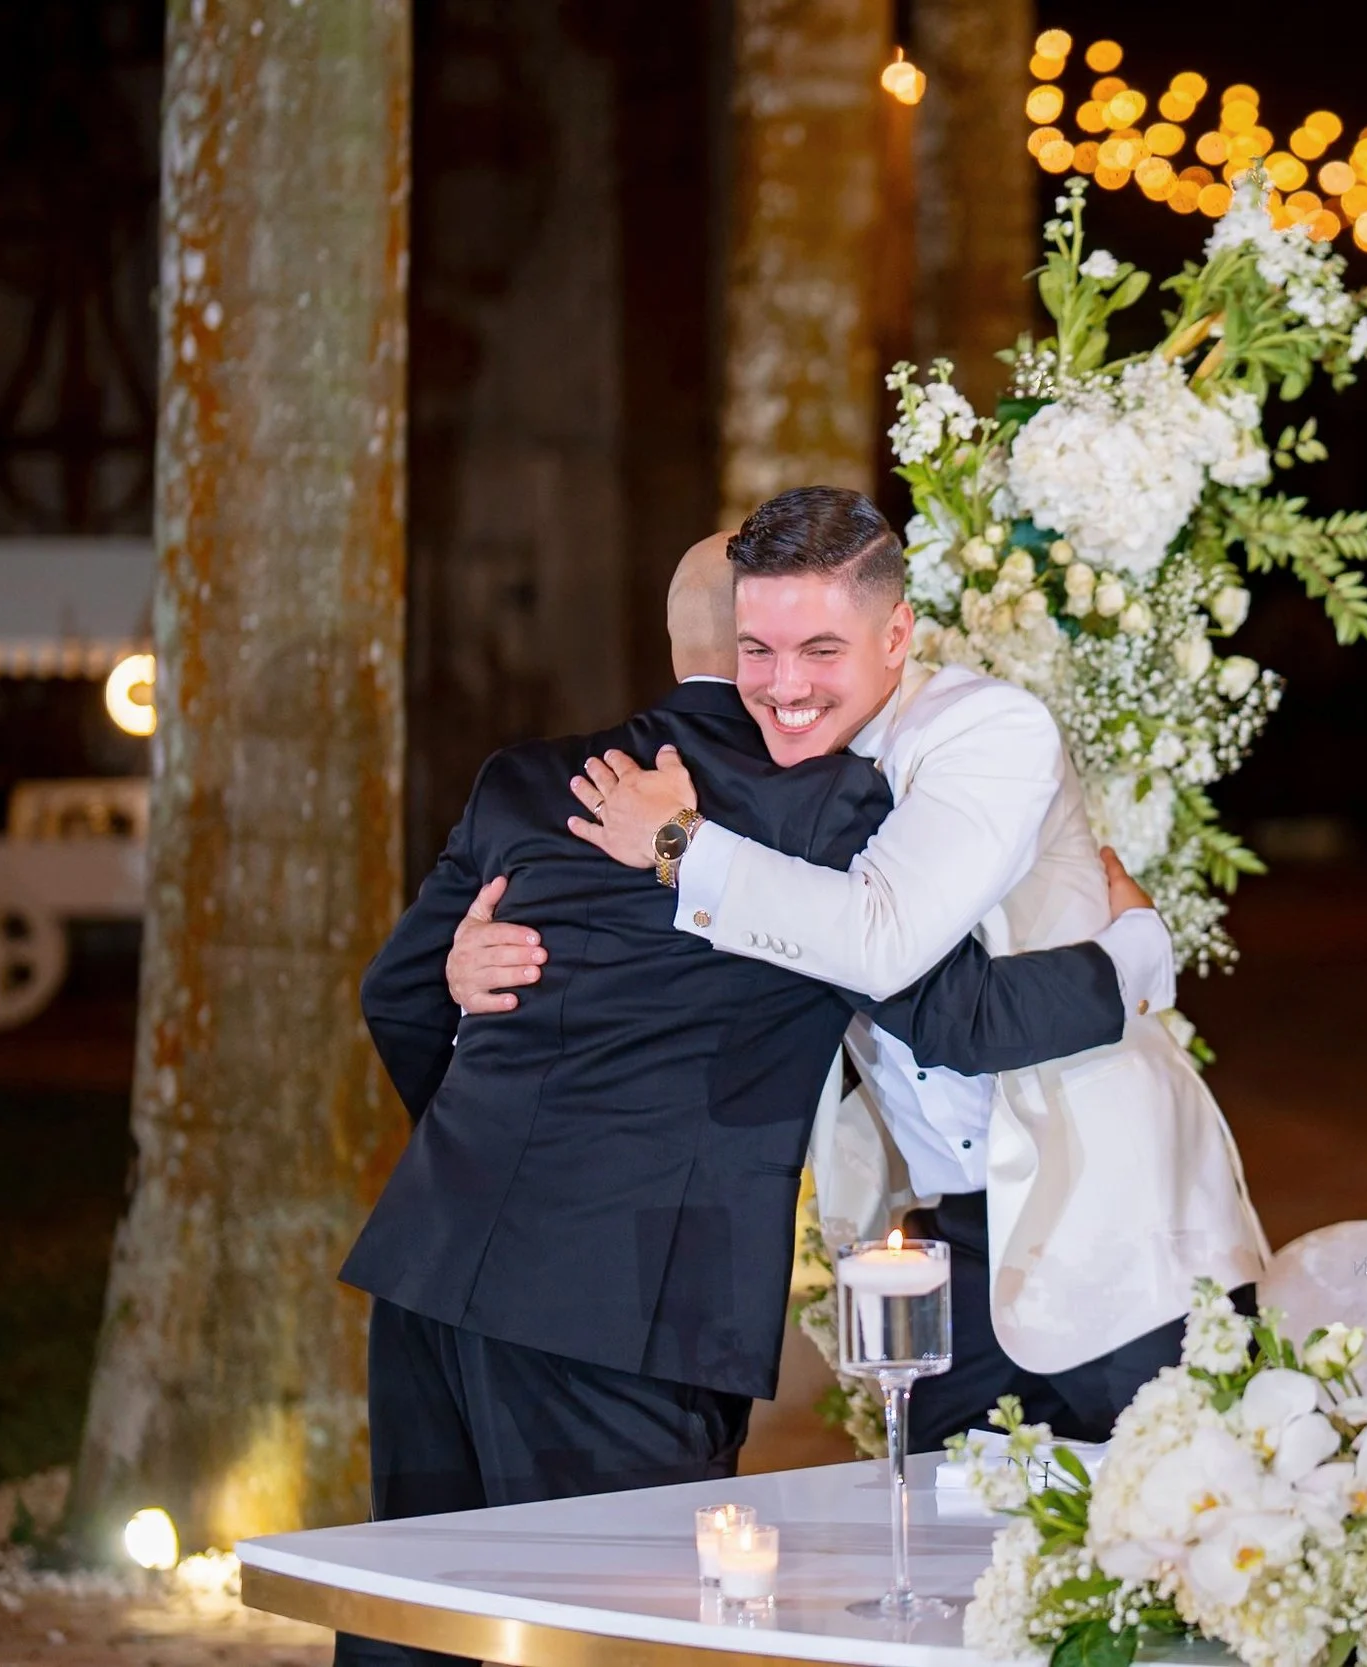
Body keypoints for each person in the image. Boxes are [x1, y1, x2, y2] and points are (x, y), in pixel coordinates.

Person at [335, 534, 1166, 1667]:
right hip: (624, 1298)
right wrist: (1130, 953)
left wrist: (484, 1139)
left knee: (417, 1633)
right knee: (628, 1639)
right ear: (759, 646)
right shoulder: (820, 805)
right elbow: (956, 1012)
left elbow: (396, 992)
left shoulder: (522, 777)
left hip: (428, 1264)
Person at [449, 487, 1267, 1451]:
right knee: (949, 1568)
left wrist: (679, 844)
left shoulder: (987, 730)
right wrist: (481, 972)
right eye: (758, 651)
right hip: (933, 1249)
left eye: (821, 650)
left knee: (1180, 1547)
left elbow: (885, 944)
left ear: (897, 634)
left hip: (1114, 1223)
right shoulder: (768, 774)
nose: (782, 686)